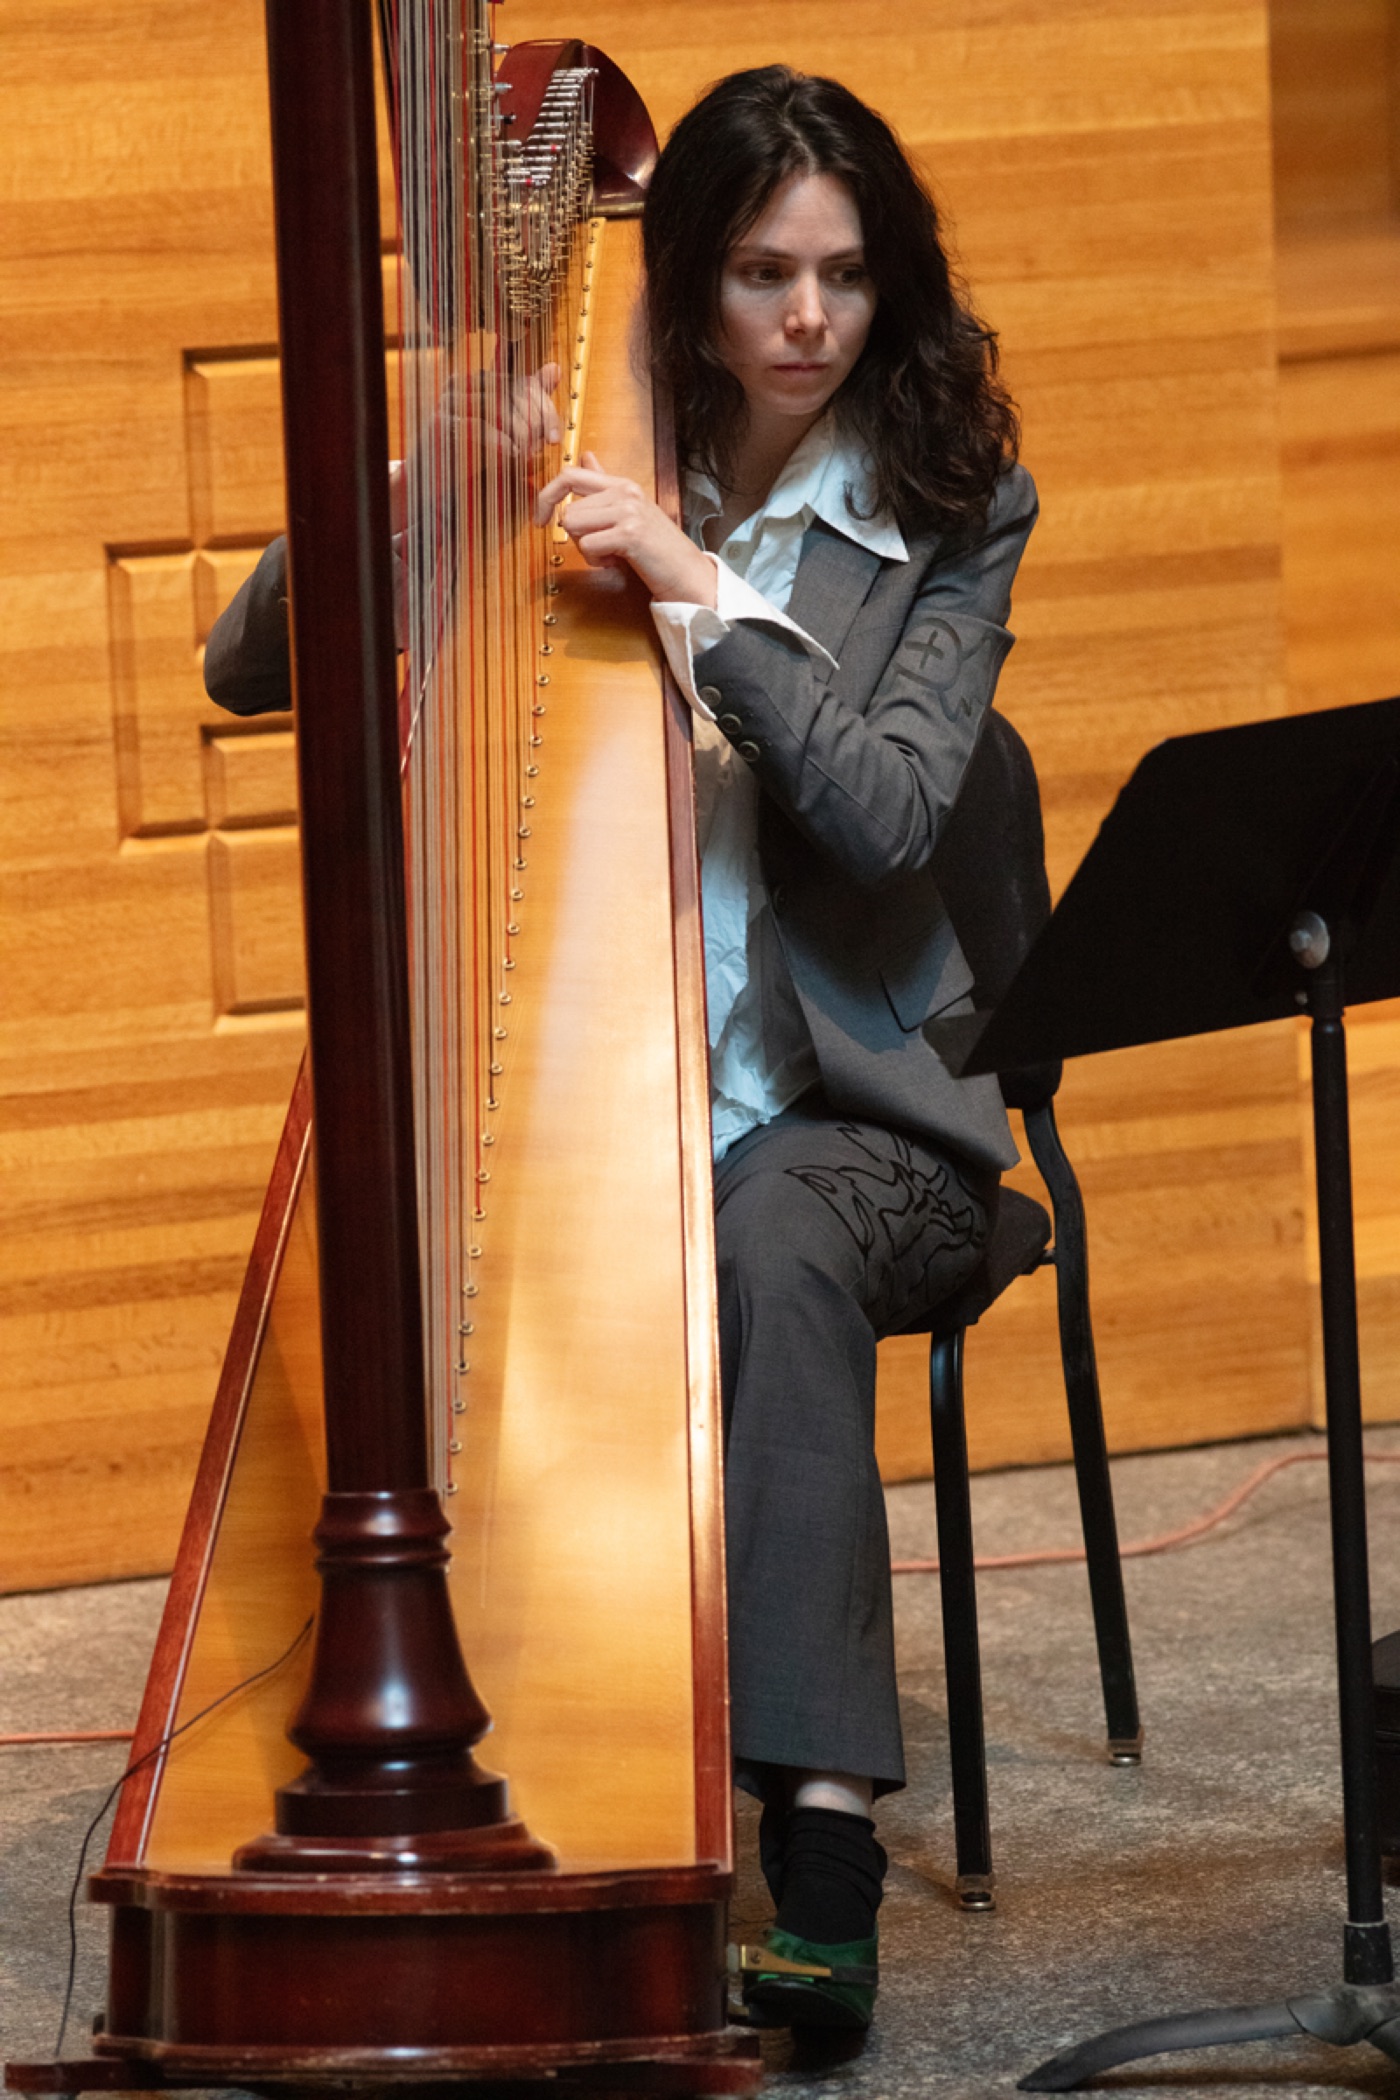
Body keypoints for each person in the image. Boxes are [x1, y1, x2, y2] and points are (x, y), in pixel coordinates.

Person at [205, 62, 1036, 2040]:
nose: (808, 322)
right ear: (685, 281)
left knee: (770, 1245)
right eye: (760, 274)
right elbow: (251, 667)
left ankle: (817, 1856)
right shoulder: (577, 429)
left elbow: (896, 815)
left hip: (866, 1125)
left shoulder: (949, 500)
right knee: (441, 1247)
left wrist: (696, 588)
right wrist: (418, 475)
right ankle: (439, 1743)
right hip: (608, 1121)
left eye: (843, 274)